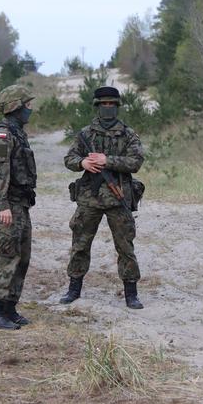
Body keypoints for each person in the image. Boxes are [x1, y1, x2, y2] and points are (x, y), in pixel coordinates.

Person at [59, 86, 145, 309]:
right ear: (97, 106)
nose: (108, 108)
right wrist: (83, 163)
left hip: (119, 198)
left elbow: (135, 162)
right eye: (104, 104)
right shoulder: (86, 134)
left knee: (125, 246)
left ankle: (131, 293)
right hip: (89, 198)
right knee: (80, 244)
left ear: (117, 107)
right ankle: (74, 288)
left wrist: (108, 161)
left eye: (112, 104)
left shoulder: (128, 134)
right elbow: (69, 158)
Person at [0, 84, 37, 329]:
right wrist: (3, 205)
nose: (30, 109)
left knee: (23, 256)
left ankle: (10, 307)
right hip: (8, 205)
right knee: (7, 255)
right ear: (16, 107)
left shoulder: (18, 132)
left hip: (21, 204)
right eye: (27, 105)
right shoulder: (3, 134)